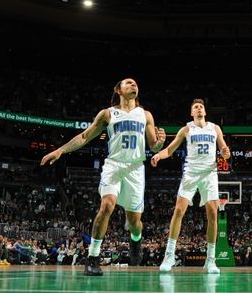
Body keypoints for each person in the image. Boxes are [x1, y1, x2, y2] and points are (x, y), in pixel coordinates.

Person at [40, 78, 165, 276]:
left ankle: (135, 239)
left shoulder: (145, 114)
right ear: (118, 90)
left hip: (135, 169)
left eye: (135, 84)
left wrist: (160, 143)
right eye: (129, 83)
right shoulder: (107, 113)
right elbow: (84, 136)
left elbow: (153, 145)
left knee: (134, 222)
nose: (134, 85)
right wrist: (61, 151)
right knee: (106, 206)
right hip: (113, 165)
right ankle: (93, 257)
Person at [151, 98, 231, 274]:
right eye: (196, 107)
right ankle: (169, 255)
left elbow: (225, 151)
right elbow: (170, 150)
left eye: (201, 106)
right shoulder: (186, 129)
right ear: (192, 113)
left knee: (213, 213)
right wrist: (158, 155)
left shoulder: (215, 128)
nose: (199, 108)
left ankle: (211, 260)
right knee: (178, 211)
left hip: (210, 173)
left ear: (205, 112)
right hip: (191, 172)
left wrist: (225, 153)